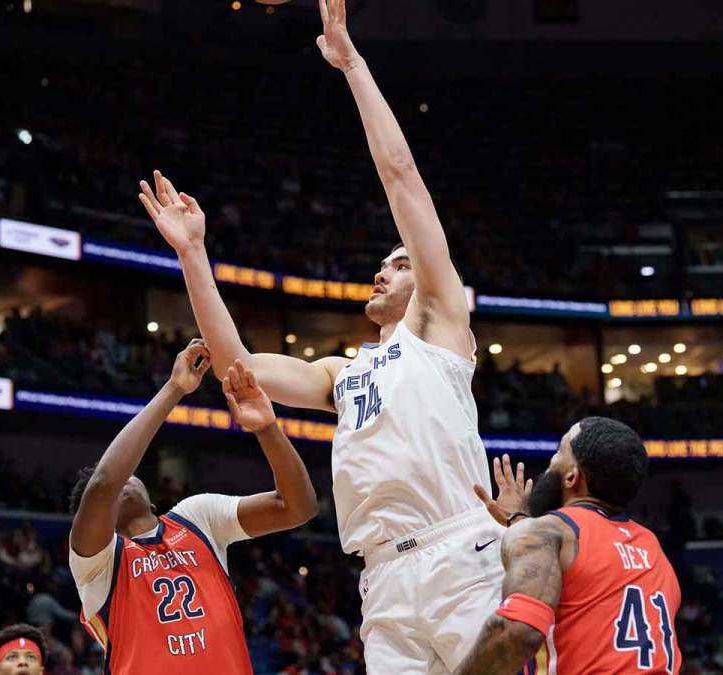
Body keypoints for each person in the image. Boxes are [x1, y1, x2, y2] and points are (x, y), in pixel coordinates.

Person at [136, 0, 506, 669]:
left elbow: (401, 178)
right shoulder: (344, 371)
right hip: (383, 578)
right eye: (383, 262)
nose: (381, 269)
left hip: (460, 551)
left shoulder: (442, 324)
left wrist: (352, 64)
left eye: (398, 263)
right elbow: (238, 365)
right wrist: (193, 255)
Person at [68, 340, 317, 673]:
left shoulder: (196, 517)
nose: (122, 480)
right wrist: (173, 389)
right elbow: (103, 484)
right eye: (116, 480)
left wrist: (268, 429)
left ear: (153, 500)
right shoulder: (95, 565)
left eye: (131, 474)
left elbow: (297, 508)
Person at [459, 417, 682, 674]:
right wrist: (519, 521)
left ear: (571, 477)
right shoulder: (651, 545)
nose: (550, 462)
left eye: (558, 453)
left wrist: (524, 527)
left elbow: (517, 632)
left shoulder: (548, 532)